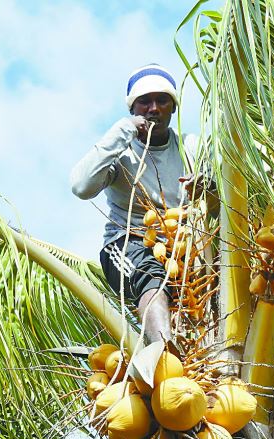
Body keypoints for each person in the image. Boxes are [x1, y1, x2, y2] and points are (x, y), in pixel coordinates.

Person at [70, 64, 198, 345]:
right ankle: (165, 352)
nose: (153, 108)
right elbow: (81, 186)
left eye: (162, 100)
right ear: (133, 109)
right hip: (128, 244)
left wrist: (205, 185)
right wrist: (122, 132)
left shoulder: (190, 148)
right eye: (144, 102)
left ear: (173, 107)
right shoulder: (122, 153)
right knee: (151, 273)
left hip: (184, 254)